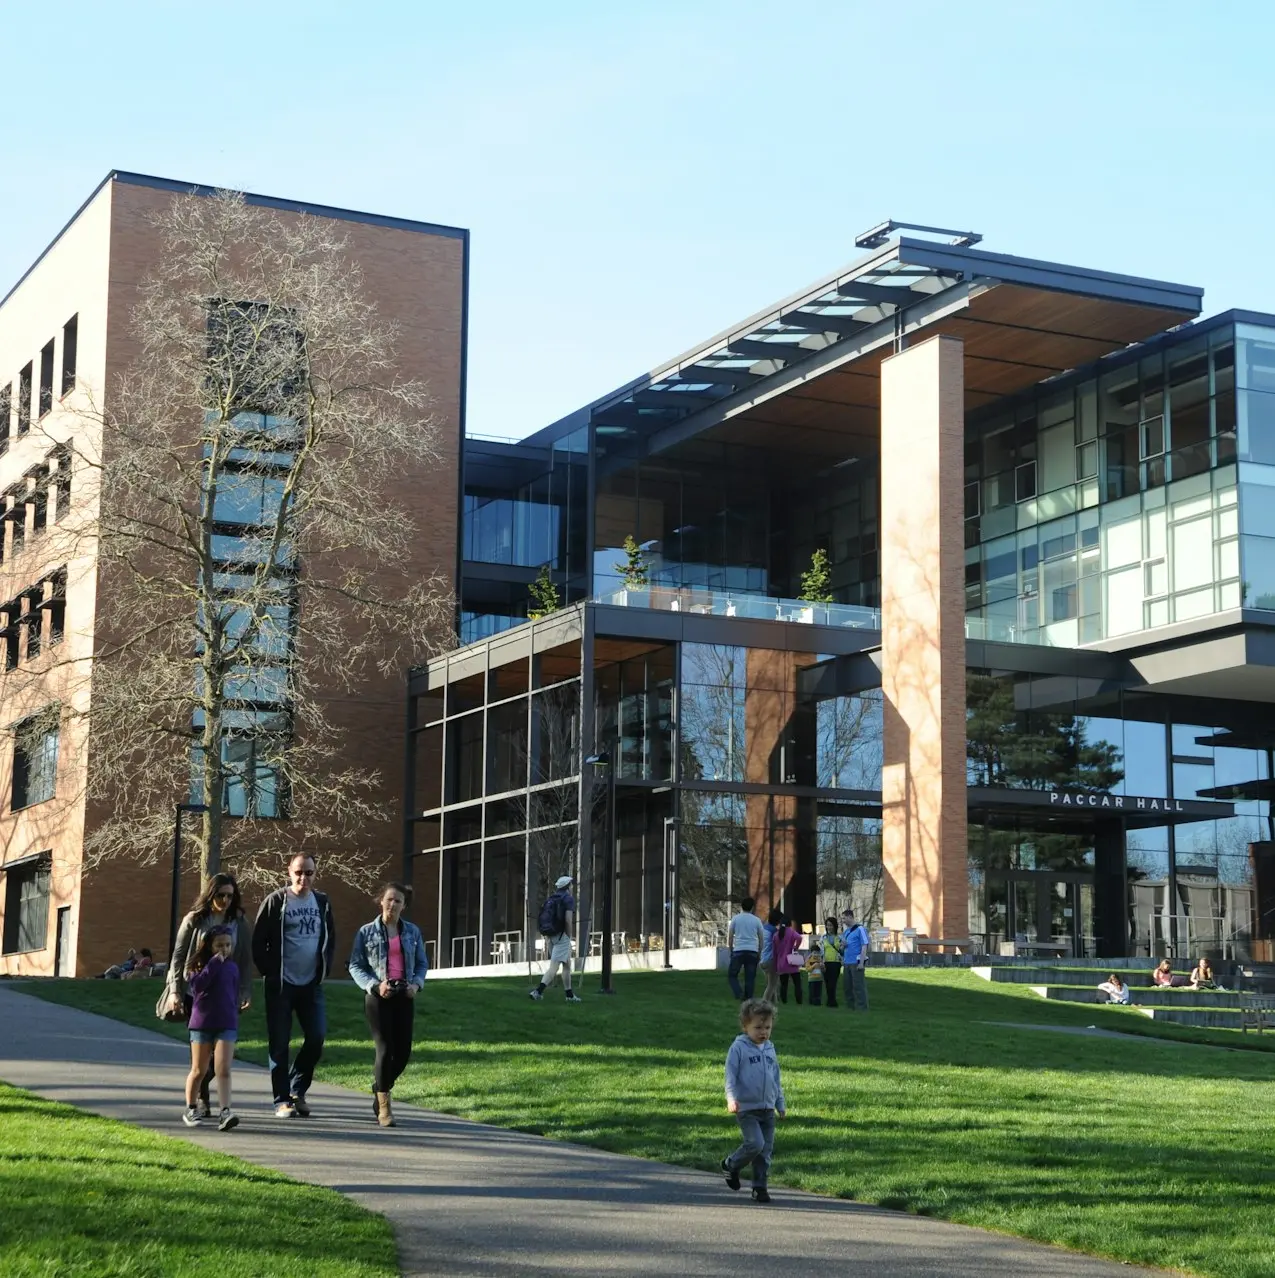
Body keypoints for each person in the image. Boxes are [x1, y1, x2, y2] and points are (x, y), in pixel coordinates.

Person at [253, 853, 336, 1118]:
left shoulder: (322, 902)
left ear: (315, 873)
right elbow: (259, 941)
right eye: (299, 872)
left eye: (309, 873)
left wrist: (323, 969)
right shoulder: (276, 901)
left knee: (317, 1037)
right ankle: (281, 1100)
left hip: (311, 984)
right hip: (281, 985)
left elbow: (329, 938)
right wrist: (270, 972)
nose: (304, 878)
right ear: (289, 872)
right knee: (279, 1042)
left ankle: (297, 1090)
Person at [163, 874, 253, 1119]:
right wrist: (174, 991)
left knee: (221, 1057)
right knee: (201, 1057)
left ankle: (218, 1103)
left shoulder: (238, 920)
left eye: (229, 896)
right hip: (198, 995)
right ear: (210, 894)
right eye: (220, 895)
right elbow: (179, 956)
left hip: (226, 995)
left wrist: (245, 990)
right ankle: (200, 1100)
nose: (224, 900)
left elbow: (244, 959)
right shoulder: (195, 919)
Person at [348, 882, 429, 1128]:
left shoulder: (412, 932)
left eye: (398, 901)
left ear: (404, 906)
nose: (392, 904)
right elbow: (355, 965)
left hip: (404, 995)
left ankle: (379, 1087)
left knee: (403, 1053)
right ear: (381, 900)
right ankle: (384, 1108)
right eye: (389, 899)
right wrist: (375, 985)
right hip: (378, 996)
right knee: (384, 1048)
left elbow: (422, 963)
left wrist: (415, 985)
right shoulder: (366, 932)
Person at [720, 997, 785, 1205]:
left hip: (767, 1109)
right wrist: (731, 1098)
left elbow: (776, 1078)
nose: (763, 1032)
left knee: (765, 1152)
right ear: (745, 1026)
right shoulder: (738, 1048)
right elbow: (730, 1075)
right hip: (746, 1108)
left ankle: (760, 1187)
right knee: (755, 1144)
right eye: (758, 1027)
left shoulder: (769, 1048)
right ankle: (731, 1164)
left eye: (767, 1027)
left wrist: (780, 1103)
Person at [182, 927, 240, 1131]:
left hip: (226, 1023)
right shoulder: (198, 966)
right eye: (219, 945)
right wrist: (213, 963)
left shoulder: (233, 967)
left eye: (227, 945)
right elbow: (198, 986)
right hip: (202, 1024)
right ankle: (191, 1108)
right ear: (208, 946)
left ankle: (225, 1111)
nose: (224, 949)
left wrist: (235, 1011)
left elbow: (233, 992)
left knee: (223, 1069)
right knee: (199, 1070)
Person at [529, 874, 582, 1003]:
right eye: (571, 884)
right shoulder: (568, 899)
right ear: (567, 886)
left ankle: (569, 995)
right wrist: (568, 936)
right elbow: (568, 920)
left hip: (550, 935)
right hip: (561, 936)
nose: (572, 886)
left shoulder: (551, 898)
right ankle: (538, 991)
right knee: (554, 967)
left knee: (567, 964)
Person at [726, 897, 765, 1000]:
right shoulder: (756, 920)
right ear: (752, 907)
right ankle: (748, 998)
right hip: (752, 950)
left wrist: (731, 950)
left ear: (741, 906)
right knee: (750, 977)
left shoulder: (735, 919)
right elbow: (761, 938)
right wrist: (759, 952)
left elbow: (730, 936)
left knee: (732, 975)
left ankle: (739, 993)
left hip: (738, 950)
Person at [841, 909, 870, 1011]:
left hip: (856, 962)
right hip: (846, 962)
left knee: (858, 986)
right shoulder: (846, 932)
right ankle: (850, 1007)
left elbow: (864, 945)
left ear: (850, 917)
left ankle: (862, 1008)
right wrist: (843, 946)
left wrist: (861, 962)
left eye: (844, 918)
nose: (843, 921)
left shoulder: (860, 929)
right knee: (847, 987)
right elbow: (842, 947)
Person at [775, 921, 804, 1004]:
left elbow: (775, 950)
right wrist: (795, 947)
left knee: (784, 984)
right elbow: (799, 938)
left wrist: (776, 964)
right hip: (792, 961)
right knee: (797, 983)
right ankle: (799, 1001)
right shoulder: (791, 932)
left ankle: (784, 1001)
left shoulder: (777, 934)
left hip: (782, 962)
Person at [818, 918, 844, 1009]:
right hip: (826, 962)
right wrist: (821, 962)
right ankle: (830, 1001)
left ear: (834, 926)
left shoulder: (839, 937)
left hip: (836, 963)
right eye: (827, 925)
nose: (829, 927)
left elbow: (841, 950)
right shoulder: (823, 937)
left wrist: (843, 947)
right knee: (827, 982)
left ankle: (832, 1001)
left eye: (831, 925)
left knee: (833, 982)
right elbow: (821, 951)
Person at [759, 908, 782, 1003]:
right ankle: (763, 1004)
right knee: (772, 985)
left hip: (763, 960)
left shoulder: (763, 928)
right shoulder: (774, 932)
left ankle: (773, 1005)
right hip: (771, 960)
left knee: (772, 984)